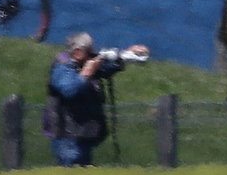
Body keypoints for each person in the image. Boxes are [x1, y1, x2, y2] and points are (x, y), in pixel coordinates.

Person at [43, 31, 150, 167]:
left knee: (82, 174)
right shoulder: (63, 67)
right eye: (88, 51)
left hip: (82, 133)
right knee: (72, 174)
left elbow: (105, 68)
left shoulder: (83, 63)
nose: (92, 54)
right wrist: (85, 75)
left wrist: (127, 54)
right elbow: (69, 90)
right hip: (68, 136)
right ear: (77, 52)